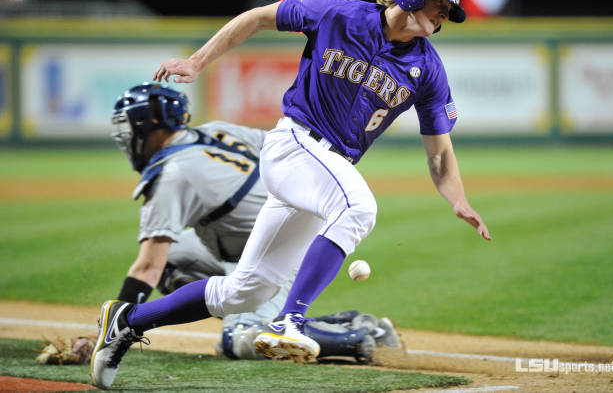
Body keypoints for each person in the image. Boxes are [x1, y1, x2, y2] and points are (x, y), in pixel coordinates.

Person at [90, 0, 491, 388]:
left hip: (323, 170)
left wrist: (457, 199)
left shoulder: (427, 67)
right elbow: (258, 18)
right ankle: (290, 320)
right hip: (294, 144)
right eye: (440, 4)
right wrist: (196, 61)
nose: (444, 15)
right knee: (358, 207)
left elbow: (440, 151)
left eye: (448, 10)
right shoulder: (337, 14)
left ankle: (127, 320)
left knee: (245, 293)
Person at [106, 83, 400, 363]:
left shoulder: (172, 175)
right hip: (242, 246)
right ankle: (252, 312)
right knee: (173, 259)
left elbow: (147, 267)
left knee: (241, 340)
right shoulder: (217, 130)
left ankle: (362, 334)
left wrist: (105, 336)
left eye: (129, 128)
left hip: (276, 253)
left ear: (150, 126)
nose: (127, 138)